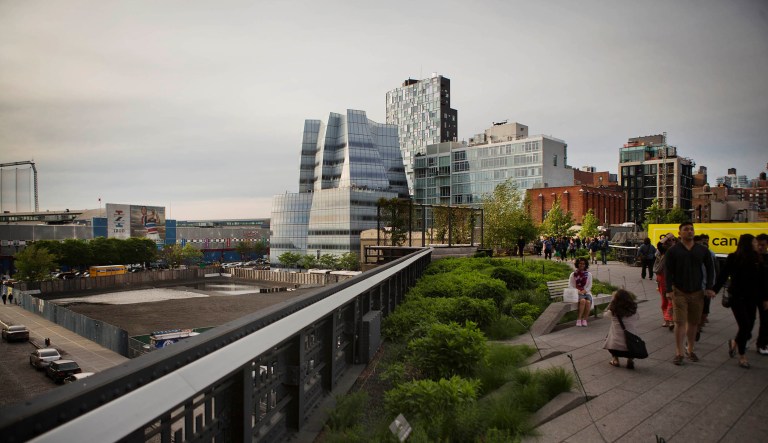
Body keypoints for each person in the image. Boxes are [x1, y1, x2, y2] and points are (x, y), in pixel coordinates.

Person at [714, 234, 768, 368]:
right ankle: (742, 356)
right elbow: (723, 275)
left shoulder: (758, 259)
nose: (757, 245)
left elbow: (763, 282)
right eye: (755, 242)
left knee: (749, 325)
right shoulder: (734, 258)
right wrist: (714, 290)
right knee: (744, 326)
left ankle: (735, 342)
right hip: (737, 298)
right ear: (748, 244)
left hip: (752, 298)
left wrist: (765, 298)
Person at [665, 222, 715, 366]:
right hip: (679, 291)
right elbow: (668, 271)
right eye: (686, 229)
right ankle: (679, 352)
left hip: (697, 291)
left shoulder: (701, 250)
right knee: (679, 322)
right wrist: (669, 290)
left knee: (693, 322)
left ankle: (690, 349)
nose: (689, 231)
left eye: (691, 229)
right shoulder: (673, 251)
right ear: (679, 233)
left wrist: (710, 287)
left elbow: (710, 268)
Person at [604, 289, 640, 369]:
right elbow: (638, 318)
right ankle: (630, 360)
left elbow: (605, 315)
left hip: (616, 346)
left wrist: (610, 304)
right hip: (631, 345)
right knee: (630, 333)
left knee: (610, 335)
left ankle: (615, 360)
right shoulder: (634, 309)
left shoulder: (613, 311)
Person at [655, 233, 676, 329]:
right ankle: (667, 320)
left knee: (671, 299)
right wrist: (667, 237)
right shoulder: (663, 251)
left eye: (672, 240)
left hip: (674, 278)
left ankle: (670, 319)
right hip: (662, 277)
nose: (669, 242)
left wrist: (673, 239)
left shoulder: (678, 250)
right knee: (664, 300)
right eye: (667, 241)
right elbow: (659, 244)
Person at [569, 257, 593, 327]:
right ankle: (579, 319)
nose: (582, 265)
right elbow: (570, 285)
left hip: (586, 292)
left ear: (585, 265)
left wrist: (585, 291)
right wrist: (578, 291)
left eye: (583, 264)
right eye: (580, 263)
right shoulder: (573, 274)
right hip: (577, 293)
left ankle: (585, 319)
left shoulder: (589, 274)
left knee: (588, 302)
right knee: (582, 301)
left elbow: (590, 285)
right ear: (577, 264)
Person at [756, 233, 768, 355]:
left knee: (765, 321)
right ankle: (737, 342)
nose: (760, 247)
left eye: (763, 245)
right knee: (747, 322)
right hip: (749, 295)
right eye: (758, 244)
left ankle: (762, 344)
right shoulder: (752, 258)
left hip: (764, 296)